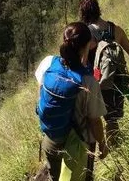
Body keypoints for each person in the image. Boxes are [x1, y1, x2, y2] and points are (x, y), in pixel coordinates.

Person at [36, 22, 109, 181]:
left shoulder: (48, 62)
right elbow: (94, 121)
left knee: (55, 177)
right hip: (76, 146)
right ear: (86, 46)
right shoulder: (87, 82)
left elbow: (41, 90)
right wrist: (102, 144)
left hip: (50, 140)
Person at [79, 0, 129, 147]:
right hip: (119, 78)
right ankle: (120, 144)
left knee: (108, 119)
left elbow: (83, 61)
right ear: (98, 9)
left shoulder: (88, 34)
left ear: (83, 13)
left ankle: (114, 148)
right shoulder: (115, 29)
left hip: (101, 82)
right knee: (114, 117)